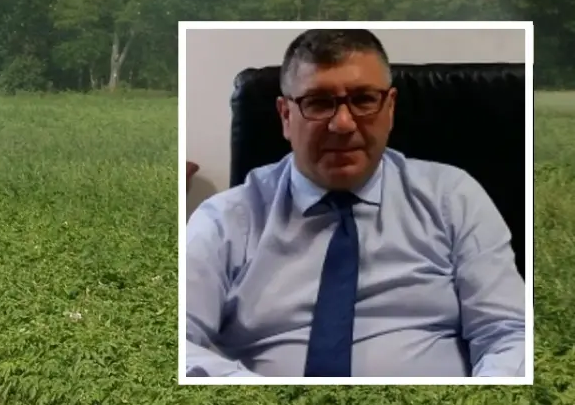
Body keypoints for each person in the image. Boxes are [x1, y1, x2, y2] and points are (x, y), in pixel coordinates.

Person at [183, 28, 526, 378]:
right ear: (286, 116)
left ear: (390, 108)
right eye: (317, 102)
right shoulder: (226, 219)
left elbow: (508, 333)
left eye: (363, 100)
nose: (343, 124)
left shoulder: (453, 197)